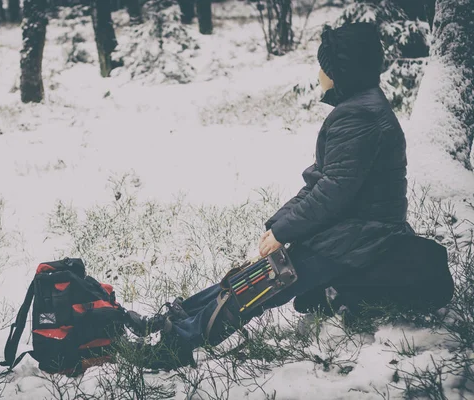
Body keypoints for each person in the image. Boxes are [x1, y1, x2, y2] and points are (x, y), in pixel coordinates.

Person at [124, 22, 453, 370]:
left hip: (362, 237)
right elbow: (321, 182)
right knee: (261, 270)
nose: (319, 73)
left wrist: (283, 233)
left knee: (271, 279)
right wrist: (279, 226)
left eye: (324, 67)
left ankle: (181, 343)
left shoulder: (358, 116)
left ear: (340, 72)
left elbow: (332, 192)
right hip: (353, 229)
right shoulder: (362, 107)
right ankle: (177, 317)